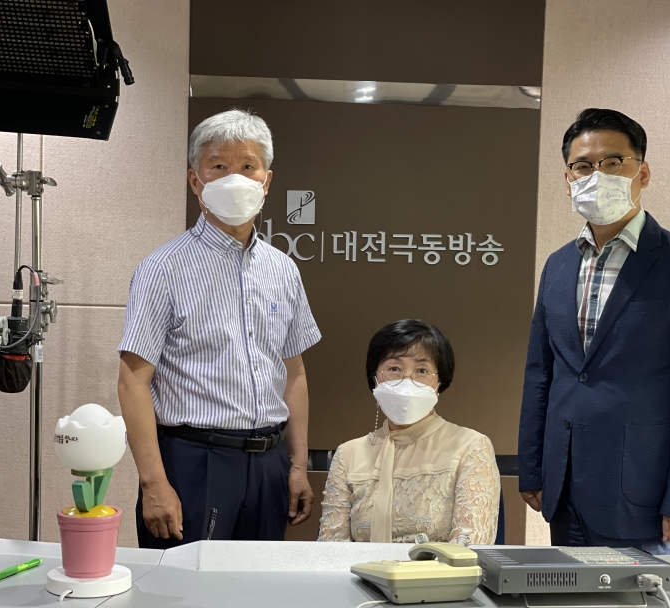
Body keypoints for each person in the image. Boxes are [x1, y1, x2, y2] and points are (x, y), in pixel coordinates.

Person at [518, 108, 670, 555]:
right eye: (583, 166)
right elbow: (541, 374)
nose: (596, 175)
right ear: (568, 179)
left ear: (643, 172)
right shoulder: (558, 265)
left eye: (613, 162)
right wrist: (534, 468)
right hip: (564, 491)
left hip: (646, 499)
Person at [118, 109, 321, 548]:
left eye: (248, 166)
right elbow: (133, 381)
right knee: (184, 582)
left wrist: (297, 465)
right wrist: (154, 483)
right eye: (219, 166)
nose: (235, 178)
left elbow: (295, 374)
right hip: (194, 462)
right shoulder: (163, 268)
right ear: (196, 181)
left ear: (266, 181)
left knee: (257, 583)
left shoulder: (283, 270)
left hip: (269, 465)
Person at [318, 320, 500, 544]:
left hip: (438, 568)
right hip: (360, 568)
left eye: (422, 370)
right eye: (394, 369)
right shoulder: (348, 454)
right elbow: (331, 548)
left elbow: (470, 548)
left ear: (439, 382)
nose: (407, 380)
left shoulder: (470, 446)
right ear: (374, 378)